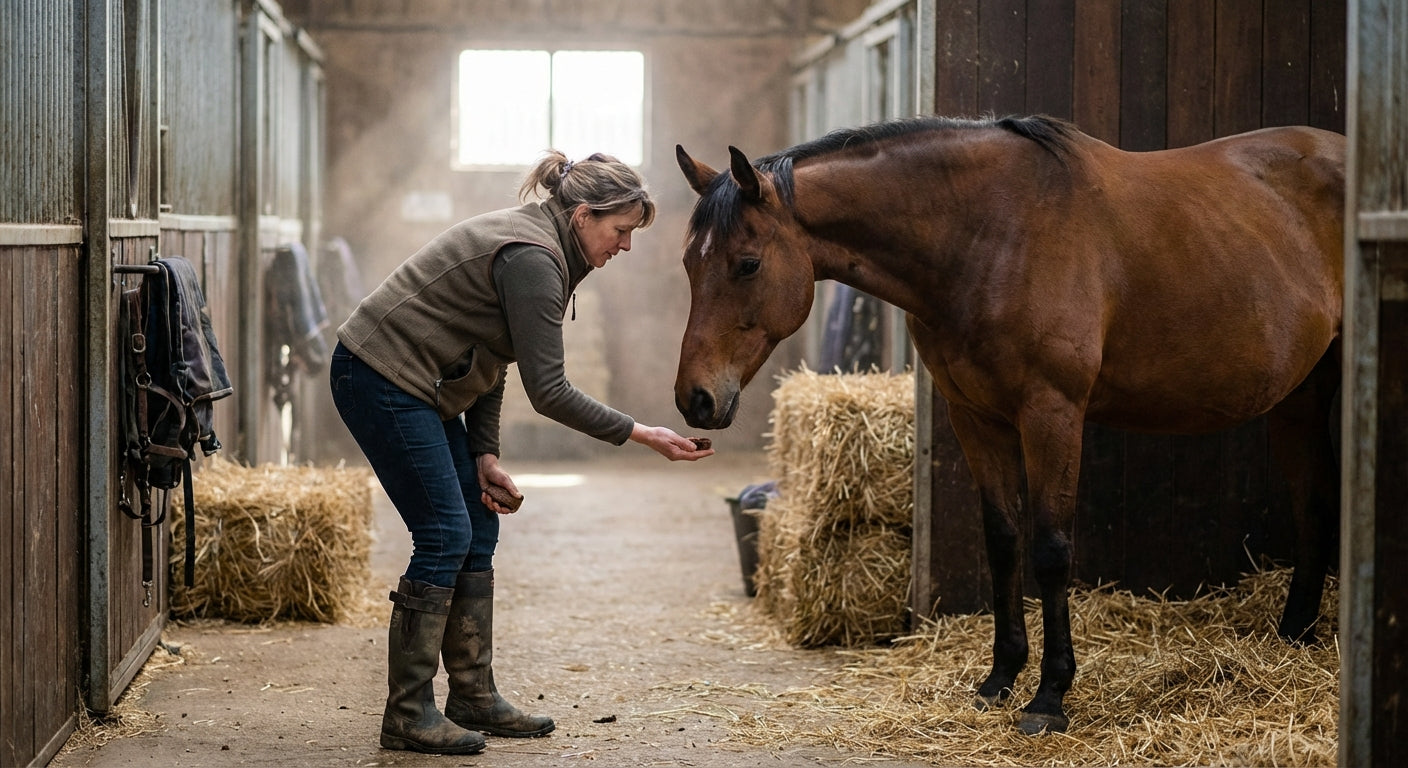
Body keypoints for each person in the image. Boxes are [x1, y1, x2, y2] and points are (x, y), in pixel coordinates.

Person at [329, 150, 714, 755]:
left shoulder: (548, 244)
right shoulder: (534, 258)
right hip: (380, 375)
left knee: (476, 524)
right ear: (584, 215)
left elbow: (492, 353)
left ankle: (472, 696)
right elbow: (550, 390)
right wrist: (642, 433)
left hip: (426, 385)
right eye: (620, 231)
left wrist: (484, 454)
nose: (626, 247)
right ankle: (406, 713)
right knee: (443, 533)